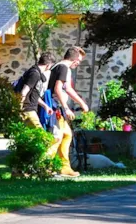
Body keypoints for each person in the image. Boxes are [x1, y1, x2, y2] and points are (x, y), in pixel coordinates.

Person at [47, 46, 89, 177]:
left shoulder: (59, 67)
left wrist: (81, 103)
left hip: (58, 107)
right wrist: (66, 107)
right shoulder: (63, 68)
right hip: (56, 107)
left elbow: (68, 89)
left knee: (67, 135)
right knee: (57, 137)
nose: (78, 63)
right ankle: (45, 166)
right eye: (79, 61)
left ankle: (64, 167)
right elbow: (58, 88)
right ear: (75, 59)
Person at [18, 53, 56, 129]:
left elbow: (33, 94)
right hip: (28, 110)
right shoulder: (34, 74)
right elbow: (24, 92)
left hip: (30, 110)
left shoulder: (36, 73)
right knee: (42, 137)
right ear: (48, 65)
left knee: (31, 138)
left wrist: (46, 106)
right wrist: (19, 108)